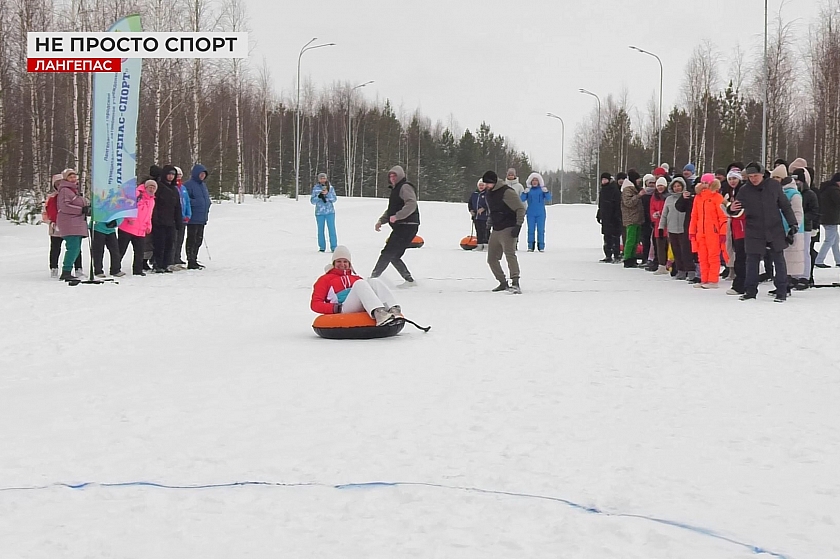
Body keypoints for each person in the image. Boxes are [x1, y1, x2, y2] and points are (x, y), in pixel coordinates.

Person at [728, 162, 797, 302]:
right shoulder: (744, 190)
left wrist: (792, 223)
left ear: (762, 174)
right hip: (754, 229)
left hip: (774, 228)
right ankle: (750, 291)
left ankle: (781, 291)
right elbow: (736, 210)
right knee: (752, 261)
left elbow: (785, 205)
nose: (753, 179)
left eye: (756, 176)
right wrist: (731, 209)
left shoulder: (773, 185)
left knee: (779, 260)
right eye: (750, 176)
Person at [311, 246, 401, 326]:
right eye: (338, 261)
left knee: (374, 281)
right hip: (343, 307)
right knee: (360, 283)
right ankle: (379, 314)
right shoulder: (325, 279)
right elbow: (315, 304)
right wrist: (335, 308)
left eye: (345, 261)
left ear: (349, 264)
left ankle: (393, 309)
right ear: (333, 263)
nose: (342, 264)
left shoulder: (356, 278)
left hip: (360, 306)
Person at [370, 165, 419, 286]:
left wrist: (398, 216)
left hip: (407, 225)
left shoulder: (405, 187)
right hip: (402, 226)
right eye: (390, 176)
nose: (392, 178)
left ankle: (373, 278)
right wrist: (382, 221)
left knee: (388, 252)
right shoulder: (395, 189)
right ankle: (409, 280)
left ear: (400, 176)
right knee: (394, 255)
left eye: (394, 176)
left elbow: (411, 203)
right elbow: (391, 209)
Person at [483, 170, 526, 293]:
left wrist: (518, 226)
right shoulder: (489, 193)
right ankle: (502, 282)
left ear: (493, 182)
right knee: (491, 258)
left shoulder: (507, 192)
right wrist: (488, 226)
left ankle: (515, 281)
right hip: (496, 228)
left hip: (508, 227)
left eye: (487, 184)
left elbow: (520, 208)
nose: (485, 186)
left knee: (510, 255)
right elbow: (492, 211)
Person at [689, 175, 728, 289]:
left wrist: (722, 232)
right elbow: (694, 216)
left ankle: (713, 280)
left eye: (707, 182)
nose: (705, 185)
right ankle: (704, 279)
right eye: (703, 182)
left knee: (713, 256)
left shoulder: (717, 197)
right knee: (702, 257)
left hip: (713, 232)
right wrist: (692, 231)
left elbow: (723, 217)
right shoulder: (698, 198)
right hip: (700, 232)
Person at [44, 173, 82, 278]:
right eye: (57, 183)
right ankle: (54, 268)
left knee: (75, 247)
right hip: (55, 225)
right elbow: (47, 212)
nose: (59, 184)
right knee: (56, 247)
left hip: (69, 224)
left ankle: (78, 267)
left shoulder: (72, 193)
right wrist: (51, 222)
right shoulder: (52, 197)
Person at [55, 168, 89, 281]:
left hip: (76, 222)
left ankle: (67, 270)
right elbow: (65, 206)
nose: (73, 178)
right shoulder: (65, 190)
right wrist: (81, 210)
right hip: (69, 222)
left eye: (74, 176)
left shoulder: (73, 190)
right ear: (65, 178)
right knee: (73, 247)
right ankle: (66, 271)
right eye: (70, 176)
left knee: (75, 247)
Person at [775, 165, 805, 297]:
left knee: (790, 259)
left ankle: (786, 285)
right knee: (782, 259)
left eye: (778, 177)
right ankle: (782, 284)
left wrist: (794, 228)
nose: (775, 180)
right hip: (778, 229)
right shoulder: (777, 191)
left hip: (791, 230)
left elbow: (798, 212)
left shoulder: (794, 194)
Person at [119, 180, 156, 276]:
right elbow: (126, 205)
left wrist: (149, 225)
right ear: (145, 187)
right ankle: (115, 268)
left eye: (153, 188)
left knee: (139, 251)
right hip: (127, 227)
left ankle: (138, 270)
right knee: (121, 249)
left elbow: (149, 215)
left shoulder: (152, 200)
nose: (151, 189)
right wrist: (129, 218)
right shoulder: (137, 194)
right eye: (150, 187)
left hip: (141, 229)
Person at [151, 165, 182, 273]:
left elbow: (178, 206)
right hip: (159, 221)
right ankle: (157, 264)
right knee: (160, 244)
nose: (171, 176)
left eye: (173, 174)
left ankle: (165, 264)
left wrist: (179, 221)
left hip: (171, 221)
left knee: (169, 243)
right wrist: (155, 219)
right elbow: (154, 204)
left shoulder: (174, 189)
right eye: (169, 174)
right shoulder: (159, 187)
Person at [659, 177, 690, 279]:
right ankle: (680, 270)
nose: (677, 188)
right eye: (675, 186)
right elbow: (664, 214)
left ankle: (688, 270)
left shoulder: (686, 198)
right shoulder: (669, 199)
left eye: (679, 186)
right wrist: (661, 227)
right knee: (676, 250)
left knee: (684, 251)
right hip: (672, 229)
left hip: (683, 229)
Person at [184, 164, 211, 269]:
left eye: (204, 174)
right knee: (192, 239)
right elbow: (185, 200)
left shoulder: (203, 185)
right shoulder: (189, 185)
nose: (202, 176)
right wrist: (196, 203)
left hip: (202, 217)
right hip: (192, 217)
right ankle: (190, 260)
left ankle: (194, 258)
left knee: (198, 240)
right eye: (201, 174)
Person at [724, 170, 747, 296]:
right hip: (736, 229)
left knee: (741, 259)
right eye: (730, 179)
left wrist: (727, 207)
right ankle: (741, 283)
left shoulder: (742, 192)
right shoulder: (731, 193)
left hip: (743, 229)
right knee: (739, 257)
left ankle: (740, 285)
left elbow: (739, 212)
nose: (732, 181)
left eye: (735, 178)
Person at [522, 172, 552, 252]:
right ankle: (530, 246)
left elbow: (549, 199)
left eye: (536, 180)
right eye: (533, 180)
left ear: (539, 181)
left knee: (541, 230)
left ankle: (541, 246)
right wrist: (524, 193)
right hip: (530, 213)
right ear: (530, 181)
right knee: (531, 230)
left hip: (541, 213)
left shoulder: (541, 190)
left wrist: (546, 192)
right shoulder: (529, 190)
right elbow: (521, 199)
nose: (535, 182)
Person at [815, 172, 840, 268]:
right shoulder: (834, 190)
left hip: (827, 218)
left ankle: (838, 260)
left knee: (835, 239)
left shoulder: (827, 188)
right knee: (830, 240)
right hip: (831, 219)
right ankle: (819, 260)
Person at [596, 172, 622, 262]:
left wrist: (617, 215)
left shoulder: (614, 189)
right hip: (605, 217)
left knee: (615, 237)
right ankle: (608, 255)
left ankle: (617, 255)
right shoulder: (603, 190)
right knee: (607, 237)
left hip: (614, 218)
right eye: (602, 180)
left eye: (605, 179)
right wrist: (599, 214)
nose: (604, 181)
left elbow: (617, 204)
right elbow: (601, 204)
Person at [310, 172, 338, 253]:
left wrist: (327, 194)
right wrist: (319, 196)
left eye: (324, 178)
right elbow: (312, 201)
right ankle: (322, 247)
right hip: (319, 212)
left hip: (330, 212)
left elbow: (334, 199)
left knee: (332, 229)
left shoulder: (330, 188)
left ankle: (334, 247)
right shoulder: (316, 188)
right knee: (320, 230)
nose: (322, 180)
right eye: (321, 178)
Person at [620, 177, 645, 268]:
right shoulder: (627, 190)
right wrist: (638, 196)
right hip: (631, 219)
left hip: (637, 218)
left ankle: (633, 257)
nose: (639, 181)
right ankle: (627, 258)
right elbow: (628, 203)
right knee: (630, 239)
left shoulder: (633, 189)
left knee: (635, 240)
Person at [650, 177, 669, 274]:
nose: (660, 188)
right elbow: (651, 208)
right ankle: (661, 265)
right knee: (660, 246)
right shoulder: (654, 196)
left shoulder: (668, 196)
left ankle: (670, 264)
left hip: (668, 224)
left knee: (669, 245)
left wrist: (662, 213)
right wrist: (655, 215)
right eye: (658, 186)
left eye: (661, 185)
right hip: (658, 224)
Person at [172, 166, 191, 266]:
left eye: (180, 175)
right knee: (174, 239)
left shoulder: (183, 188)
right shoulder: (173, 187)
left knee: (180, 239)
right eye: (177, 175)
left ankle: (177, 257)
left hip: (183, 218)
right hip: (175, 218)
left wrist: (188, 214)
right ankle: (172, 258)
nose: (178, 177)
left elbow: (187, 202)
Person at [503, 168, 524, 249]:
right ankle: (505, 243)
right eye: (509, 175)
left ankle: (514, 243)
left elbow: (522, 199)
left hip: (516, 210)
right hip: (505, 210)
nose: (511, 176)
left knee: (515, 227)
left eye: (512, 175)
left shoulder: (519, 186)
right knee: (505, 227)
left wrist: (523, 209)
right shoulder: (504, 185)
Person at [468, 178, 490, 250]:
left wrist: (484, 208)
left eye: (482, 185)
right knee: (478, 230)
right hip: (476, 217)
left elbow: (490, 203)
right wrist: (471, 210)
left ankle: (486, 245)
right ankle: (479, 245)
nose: (481, 187)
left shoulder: (488, 194)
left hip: (485, 216)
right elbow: (470, 203)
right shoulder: (474, 194)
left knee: (486, 231)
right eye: (480, 185)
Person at [640, 174, 656, 270]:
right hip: (644, 220)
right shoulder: (643, 194)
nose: (651, 185)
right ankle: (645, 258)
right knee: (645, 240)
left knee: (653, 241)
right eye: (650, 183)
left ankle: (652, 259)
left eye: (653, 183)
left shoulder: (656, 195)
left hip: (653, 220)